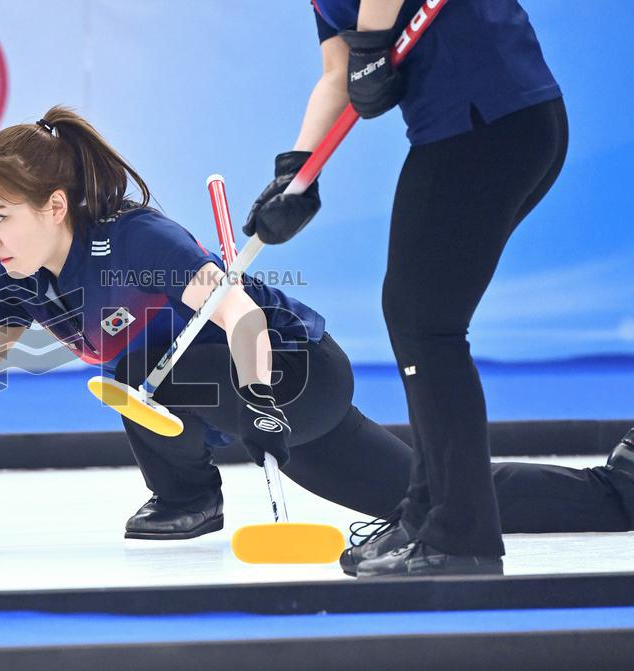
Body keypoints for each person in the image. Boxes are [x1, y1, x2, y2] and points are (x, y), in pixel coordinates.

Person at [0, 106, 634, 578]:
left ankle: (190, 496)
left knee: (133, 364)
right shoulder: (17, 285)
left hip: (297, 375)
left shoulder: (134, 242)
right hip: (241, 410)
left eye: (1, 215)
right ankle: (613, 490)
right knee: (428, 495)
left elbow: (241, 315)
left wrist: (260, 398)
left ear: (56, 206)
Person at [242, 0, 579, 576]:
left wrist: (374, 39)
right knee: (416, 318)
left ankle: (460, 534)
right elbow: (338, 72)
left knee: (426, 323)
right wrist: (298, 170)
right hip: (470, 127)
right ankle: (428, 513)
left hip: (492, 119)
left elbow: (367, 46)